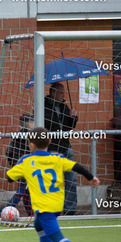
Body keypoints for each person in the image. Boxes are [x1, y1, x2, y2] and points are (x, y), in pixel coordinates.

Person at [6, 127, 99, 242]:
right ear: (49, 141)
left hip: (44, 207)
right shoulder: (57, 158)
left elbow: (9, 177)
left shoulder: (26, 161)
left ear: (30, 144)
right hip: (57, 204)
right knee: (38, 226)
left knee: (57, 237)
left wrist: (22, 169)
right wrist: (91, 177)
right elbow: (75, 166)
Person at [44, 82, 78, 214]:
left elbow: (69, 127)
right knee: (53, 180)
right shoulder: (43, 106)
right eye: (61, 93)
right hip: (51, 147)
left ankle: (70, 209)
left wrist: (73, 117)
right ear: (53, 93)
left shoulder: (64, 107)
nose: (63, 96)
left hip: (65, 145)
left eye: (64, 93)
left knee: (72, 179)